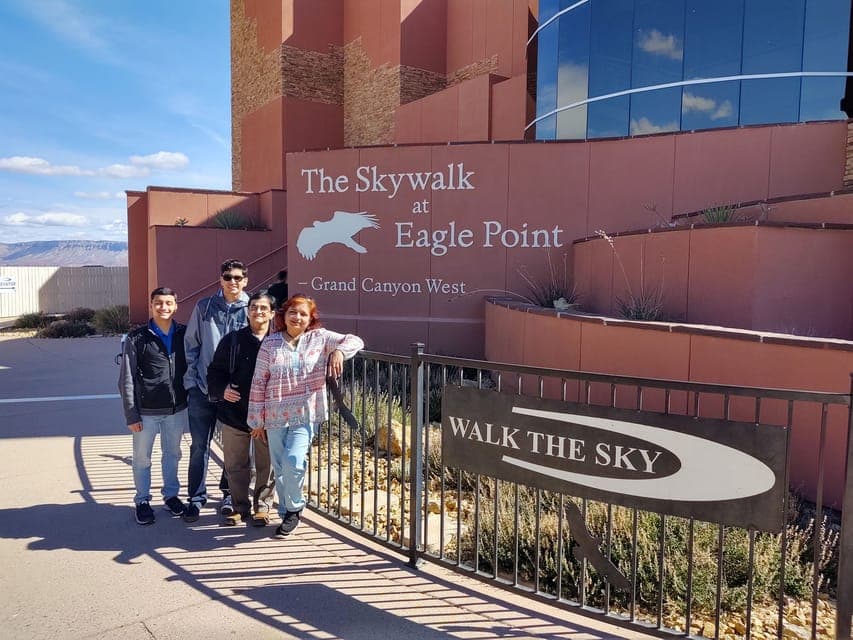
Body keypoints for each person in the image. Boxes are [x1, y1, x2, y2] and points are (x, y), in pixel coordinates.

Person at [247, 294, 363, 538]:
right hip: (275, 416)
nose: (297, 317)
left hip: (305, 414)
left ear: (311, 319)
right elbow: (259, 381)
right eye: (293, 312)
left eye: (303, 314)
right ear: (284, 315)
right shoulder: (270, 343)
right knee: (280, 467)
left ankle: (294, 508)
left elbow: (355, 340)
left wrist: (339, 352)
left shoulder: (319, 338)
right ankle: (286, 510)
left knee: (293, 461)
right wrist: (256, 421)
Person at [183, 259, 250, 522]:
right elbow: (191, 345)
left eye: (238, 277)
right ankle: (196, 498)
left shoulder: (253, 308)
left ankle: (229, 495)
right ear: (220, 279)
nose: (233, 282)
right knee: (199, 446)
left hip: (236, 393)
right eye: (228, 277)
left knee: (235, 449)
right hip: (203, 388)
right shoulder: (205, 306)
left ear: (245, 280)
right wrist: (192, 382)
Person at [118, 287, 188, 525]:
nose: (163, 307)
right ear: (151, 305)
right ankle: (142, 501)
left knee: (172, 455)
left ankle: (171, 496)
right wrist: (131, 414)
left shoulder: (184, 333)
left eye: (168, 303)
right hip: (146, 411)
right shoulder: (137, 337)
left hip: (176, 409)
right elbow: (126, 378)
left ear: (176, 306)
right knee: (141, 458)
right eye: (158, 303)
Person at [206, 290, 275, 526]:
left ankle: (262, 507)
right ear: (247, 311)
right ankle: (239, 507)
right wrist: (222, 389)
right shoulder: (232, 340)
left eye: (264, 308)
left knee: (266, 465)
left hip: (268, 416)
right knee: (235, 465)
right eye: (254, 307)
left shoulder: (278, 342)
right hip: (234, 413)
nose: (258, 311)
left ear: (272, 313)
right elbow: (214, 372)